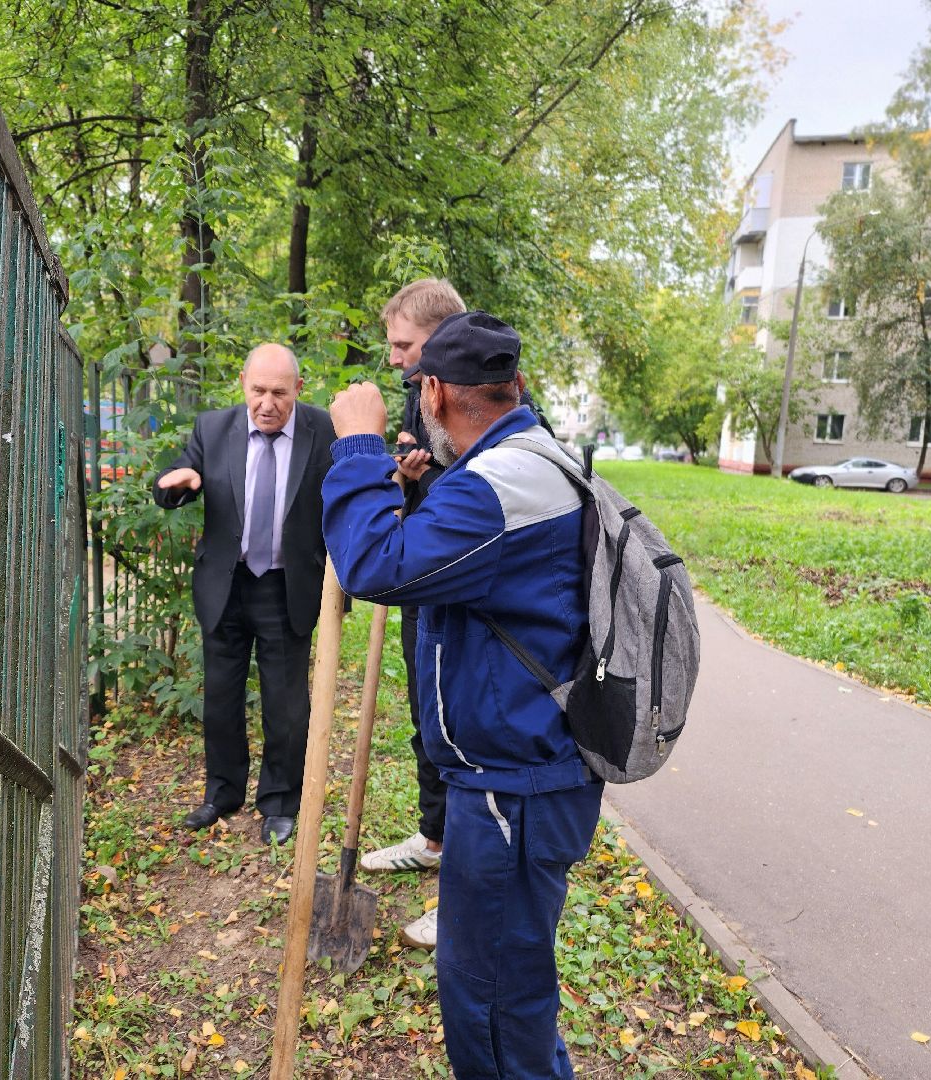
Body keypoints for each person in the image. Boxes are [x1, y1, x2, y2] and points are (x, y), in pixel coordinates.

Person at [322, 311, 602, 1080]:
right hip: (522, 782)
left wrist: (356, 447)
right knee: (513, 993)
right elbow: (447, 569)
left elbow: (375, 567)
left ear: (437, 393)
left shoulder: (499, 484)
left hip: (512, 794)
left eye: (418, 392)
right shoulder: (533, 461)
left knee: (492, 1010)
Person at [153, 344, 336, 846]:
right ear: (243, 384)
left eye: (279, 392)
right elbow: (174, 477)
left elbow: (347, 491)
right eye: (258, 391)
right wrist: (177, 486)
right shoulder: (213, 429)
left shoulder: (322, 432)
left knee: (285, 703)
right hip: (226, 585)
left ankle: (279, 802)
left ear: (298, 390)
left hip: (285, 586)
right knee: (221, 700)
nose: (267, 403)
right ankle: (222, 793)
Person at [356, 279, 466, 950]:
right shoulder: (417, 389)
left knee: (458, 732)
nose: (396, 358)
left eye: (405, 345)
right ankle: (432, 840)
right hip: (420, 576)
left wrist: (422, 478)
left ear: (441, 337)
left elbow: (482, 496)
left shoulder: (482, 392)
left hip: (464, 585)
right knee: (427, 719)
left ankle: (464, 895)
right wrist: (404, 469)